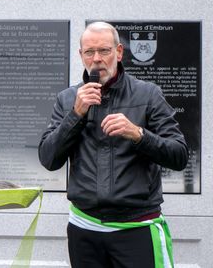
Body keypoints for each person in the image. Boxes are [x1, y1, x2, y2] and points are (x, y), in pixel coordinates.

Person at [38, 22, 188, 268]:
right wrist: (76, 114)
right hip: (84, 229)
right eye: (89, 52)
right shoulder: (68, 99)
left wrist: (139, 134)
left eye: (104, 51)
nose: (97, 59)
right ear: (81, 56)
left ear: (118, 52)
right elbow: (48, 159)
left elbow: (179, 155)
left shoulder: (148, 94)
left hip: (136, 226)